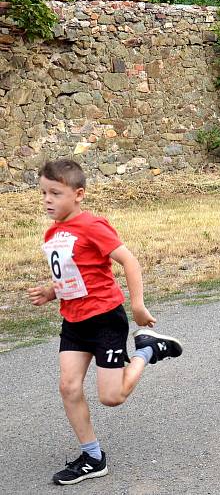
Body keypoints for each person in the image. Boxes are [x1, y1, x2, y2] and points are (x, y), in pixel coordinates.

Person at [27, 159, 184, 485]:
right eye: (43, 192)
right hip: (74, 321)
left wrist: (137, 305)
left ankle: (147, 351)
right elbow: (72, 275)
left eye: (55, 193)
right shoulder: (53, 232)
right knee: (68, 387)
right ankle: (93, 457)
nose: (47, 200)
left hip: (104, 321)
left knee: (111, 397)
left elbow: (129, 260)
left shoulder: (92, 225)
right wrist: (50, 291)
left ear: (78, 194)